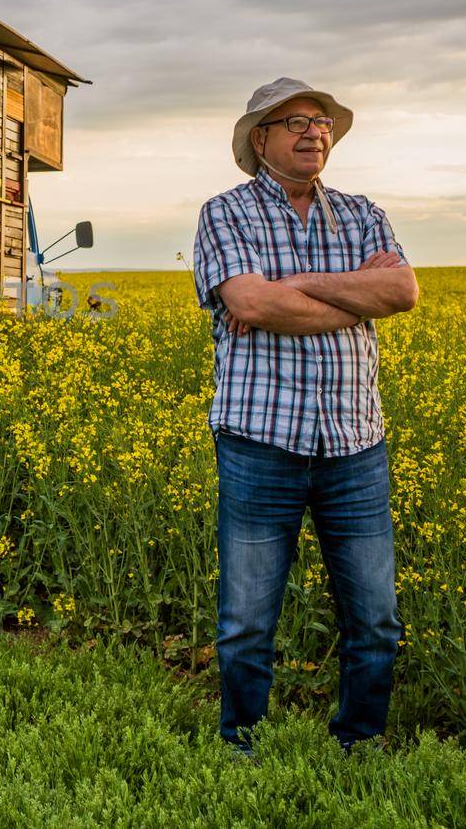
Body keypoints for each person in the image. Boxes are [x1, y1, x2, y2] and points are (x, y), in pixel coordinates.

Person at [190, 77, 420, 756]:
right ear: (260, 139)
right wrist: (353, 298)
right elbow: (252, 305)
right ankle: (242, 743)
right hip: (262, 442)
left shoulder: (362, 213)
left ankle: (360, 742)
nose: (314, 131)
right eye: (295, 121)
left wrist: (295, 283)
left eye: (322, 121)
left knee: (375, 617)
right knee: (247, 619)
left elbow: (401, 289)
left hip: (355, 443)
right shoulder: (224, 213)